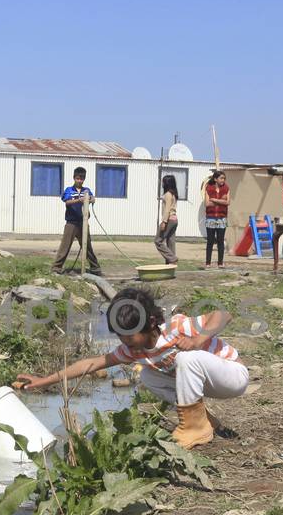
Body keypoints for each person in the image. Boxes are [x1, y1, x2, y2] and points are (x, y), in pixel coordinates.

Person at [13, 287, 246, 449]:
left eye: (129, 336)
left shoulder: (176, 327)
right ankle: (203, 421)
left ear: (151, 323)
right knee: (148, 375)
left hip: (231, 376)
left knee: (187, 359)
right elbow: (90, 364)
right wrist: (42, 381)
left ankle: (195, 429)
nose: (125, 343)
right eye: (121, 336)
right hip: (203, 383)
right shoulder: (135, 349)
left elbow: (223, 314)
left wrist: (197, 340)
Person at [52, 167, 101, 273]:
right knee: (65, 245)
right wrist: (79, 200)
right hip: (71, 223)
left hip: (83, 222)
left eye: (82, 179)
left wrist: (91, 199)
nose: (80, 181)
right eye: (78, 178)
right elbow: (67, 202)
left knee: (87, 246)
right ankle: (57, 267)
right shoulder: (69, 190)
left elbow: (93, 198)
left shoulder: (86, 190)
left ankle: (95, 267)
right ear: (74, 178)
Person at [202, 170, 230, 266]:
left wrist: (214, 200)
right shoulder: (208, 188)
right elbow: (207, 203)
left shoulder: (226, 188)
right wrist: (221, 200)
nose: (223, 180)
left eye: (224, 178)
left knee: (220, 241)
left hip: (222, 218)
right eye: (221, 178)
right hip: (211, 218)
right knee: (210, 241)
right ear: (215, 179)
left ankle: (220, 263)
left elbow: (227, 202)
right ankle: (208, 263)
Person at [155, 174, 179, 264]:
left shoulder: (168, 195)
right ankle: (170, 264)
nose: (162, 184)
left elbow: (167, 209)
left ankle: (172, 258)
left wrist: (164, 222)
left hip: (169, 220)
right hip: (174, 220)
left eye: (163, 182)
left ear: (167, 183)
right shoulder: (173, 194)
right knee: (170, 242)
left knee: (158, 241)